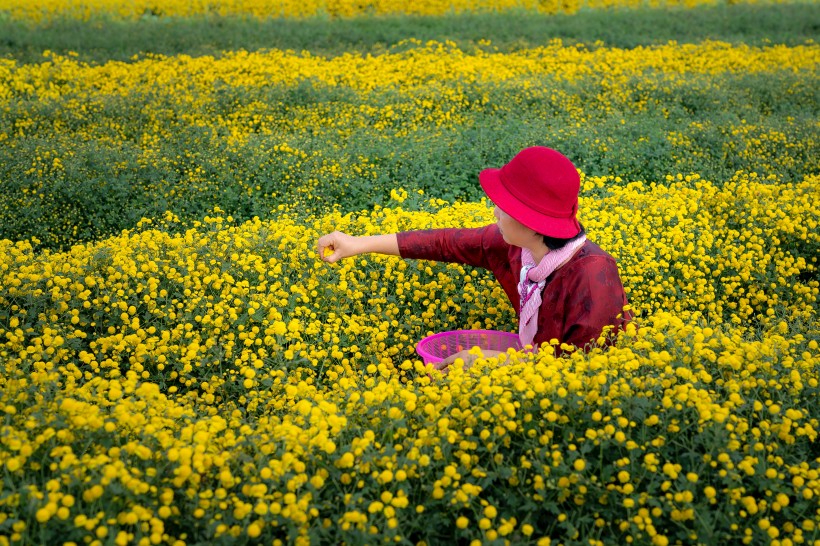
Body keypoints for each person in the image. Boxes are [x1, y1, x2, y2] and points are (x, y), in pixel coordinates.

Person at [316, 146, 631, 374]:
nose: (495, 212)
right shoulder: (517, 248)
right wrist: (358, 244)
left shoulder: (592, 277)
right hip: (535, 376)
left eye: (503, 206)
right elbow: (444, 243)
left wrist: (488, 360)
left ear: (530, 221)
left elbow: (586, 372)